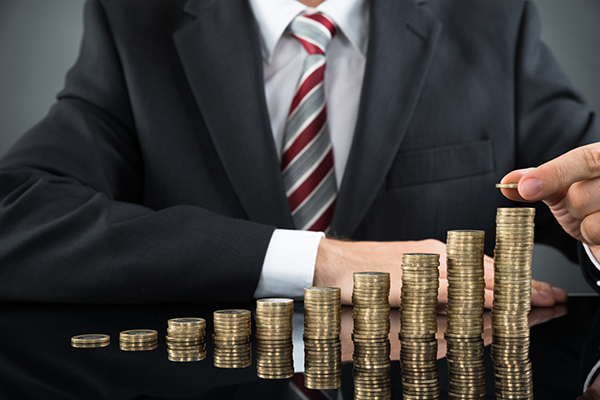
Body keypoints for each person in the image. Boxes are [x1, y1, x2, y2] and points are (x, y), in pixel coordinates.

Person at [0, 0, 595, 310]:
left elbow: (578, 187)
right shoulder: (134, 26)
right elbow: (17, 217)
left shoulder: (492, 20)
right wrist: (319, 262)